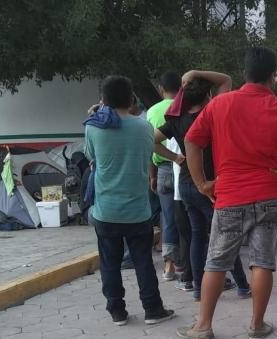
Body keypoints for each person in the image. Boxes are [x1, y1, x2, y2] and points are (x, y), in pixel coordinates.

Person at [182, 47, 277, 339]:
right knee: (262, 261)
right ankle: (257, 325)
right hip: (270, 194)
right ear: (273, 76)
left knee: (216, 261)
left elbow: (192, 142)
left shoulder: (220, 104)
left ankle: (203, 326)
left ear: (244, 74)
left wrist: (202, 183)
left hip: (229, 195)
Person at [84, 76, 176, 326]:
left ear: (103, 100)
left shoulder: (92, 128)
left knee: (110, 263)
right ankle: (152, 309)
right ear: (131, 99)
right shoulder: (143, 127)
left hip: (106, 210)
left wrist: (97, 114)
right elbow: (147, 153)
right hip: (138, 209)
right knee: (143, 260)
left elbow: (90, 156)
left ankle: (117, 311)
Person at [156, 70, 251, 303]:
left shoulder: (176, 119)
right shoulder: (212, 113)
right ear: (208, 95)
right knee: (224, 236)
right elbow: (227, 79)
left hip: (186, 184)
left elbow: (152, 141)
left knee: (198, 236)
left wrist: (174, 157)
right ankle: (242, 284)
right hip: (210, 185)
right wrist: (196, 72)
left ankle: (199, 288)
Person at [146, 72, 187, 282]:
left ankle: (169, 266)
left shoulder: (152, 111)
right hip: (184, 168)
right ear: (181, 88)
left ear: (161, 89)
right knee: (187, 218)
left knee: (168, 219)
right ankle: (184, 265)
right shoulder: (184, 107)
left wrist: (152, 176)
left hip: (162, 169)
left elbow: (149, 145)